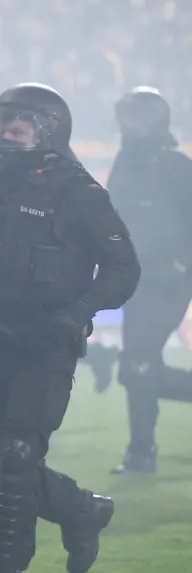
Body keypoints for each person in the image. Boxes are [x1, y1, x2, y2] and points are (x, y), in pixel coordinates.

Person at [0, 83, 139, 573]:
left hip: (48, 344)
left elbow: (123, 268)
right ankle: (83, 511)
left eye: (19, 125)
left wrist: (83, 307)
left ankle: (5, 566)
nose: (7, 133)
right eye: (2, 124)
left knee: (19, 456)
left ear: (48, 130)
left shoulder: (80, 192)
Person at [103, 86, 192, 474]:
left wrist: (182, 264)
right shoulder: (126, 160)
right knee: (136, 367)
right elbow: (112, 213)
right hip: (136, 279)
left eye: (132, 116)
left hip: (168, 283)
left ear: (152, 119)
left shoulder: (176, 164)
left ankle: (141, 452)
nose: (125, 124)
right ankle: (141, 453)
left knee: (137, 364)